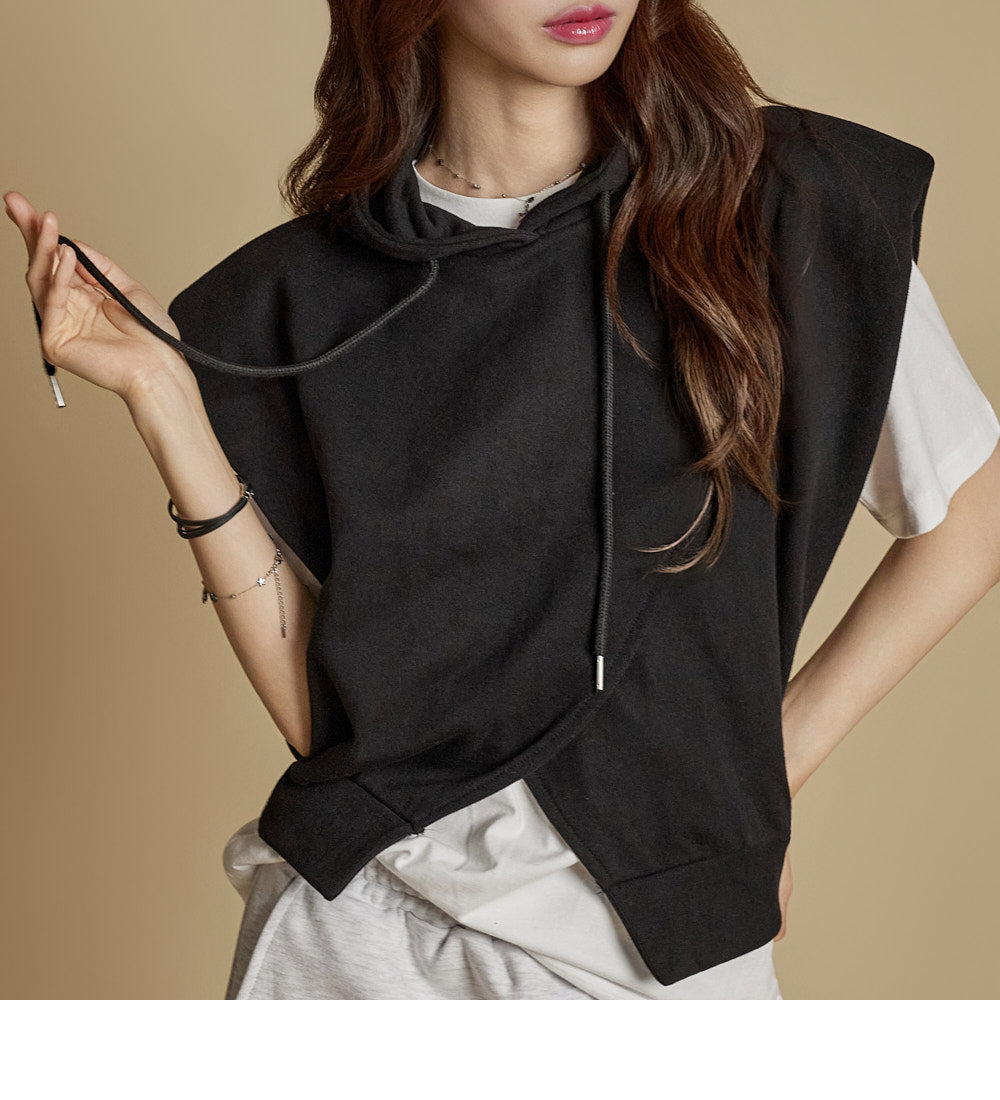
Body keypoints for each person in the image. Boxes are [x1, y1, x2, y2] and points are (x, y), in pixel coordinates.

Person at [6, 0, 999, 1000]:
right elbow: (338, 723)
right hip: (353, 937)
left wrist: (763, 771)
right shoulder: (291, 301)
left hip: (657, 947)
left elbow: (974, 515)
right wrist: (166, 401)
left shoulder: (783, 200)